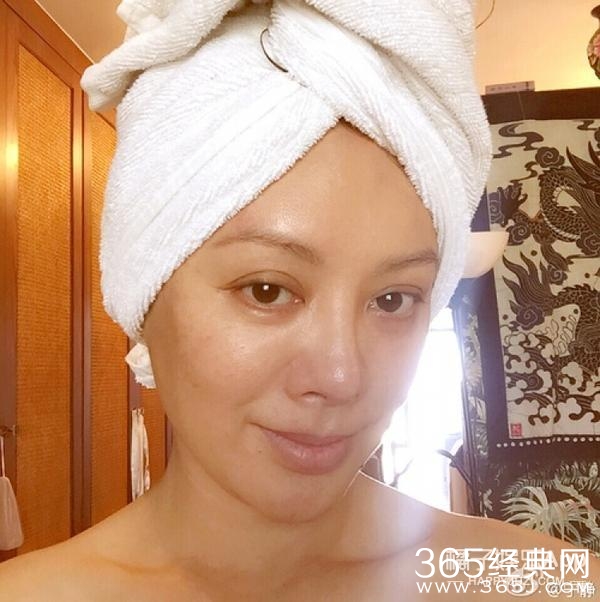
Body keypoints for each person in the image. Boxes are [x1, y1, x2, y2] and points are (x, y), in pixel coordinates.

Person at [1, 1, 598, 599]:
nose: (341, 376)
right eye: (267, 290)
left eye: (393, 299)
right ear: (144, 294)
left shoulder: (543, 585)